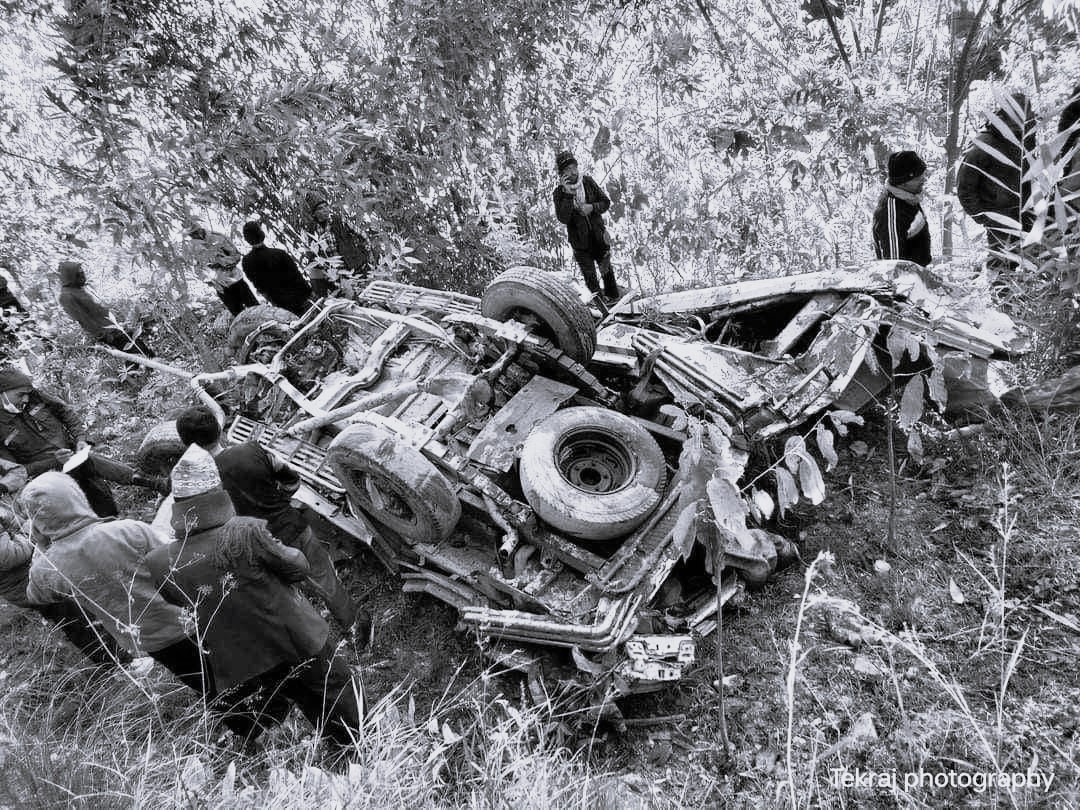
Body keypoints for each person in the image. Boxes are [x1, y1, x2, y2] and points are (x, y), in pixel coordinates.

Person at [146, 446, 362, 748]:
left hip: (245, 658)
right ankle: (361, 744)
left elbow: (184, 602)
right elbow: (298, 567)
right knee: (335, 686)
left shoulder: (158, 561)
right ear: (216, 494)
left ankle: (339, 746)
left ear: (177, 505)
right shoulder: (244, 531)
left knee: (303, 697)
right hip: (294, 636)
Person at [174, 406, 363, 634]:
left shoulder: (200, 484)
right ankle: (354, 625)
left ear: (188, 444)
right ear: (218, 428)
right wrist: (279, 500)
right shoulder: (252, 451)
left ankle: (315, 635)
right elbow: (292, 480)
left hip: (256, 547)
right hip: (290, 527)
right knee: (324, 578)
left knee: (289, 590)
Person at [21, 472, 208, 692]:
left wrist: (43, 547)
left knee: (201, 683)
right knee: (232, 670)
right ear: (78, 497)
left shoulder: (47, 569)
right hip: (190, 618)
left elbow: (35, 596)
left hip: (146, 639)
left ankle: (233, 715)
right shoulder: (127, 530)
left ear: (36, 522)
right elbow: (179, 560)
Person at [0, 367, 167, 517]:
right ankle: (155, 483)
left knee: (104, 503)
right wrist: (54, 461)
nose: (26, 399)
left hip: (75, 457)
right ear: (3, 393)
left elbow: (65, 412)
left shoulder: (36, 397)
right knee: (88, 510)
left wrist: (81, 439)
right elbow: (18, 472)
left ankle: (153, 485)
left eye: (27, 394)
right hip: (49, 477)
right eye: (20, 395)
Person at [0, 499, 128, 666]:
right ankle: (117, 662)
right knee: (76, 620)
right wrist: (25, 530)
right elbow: (11, 555)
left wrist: (21, 528)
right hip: (27, 585)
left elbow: (21, 521)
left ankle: (119, 649)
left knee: (80, 610)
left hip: (38, 572)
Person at [957, 94, 1036, 265]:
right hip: (1000, 222)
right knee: (1002, 275)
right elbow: (964, 188)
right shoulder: (983, 144)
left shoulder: (1027, 136)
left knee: (1033, 272)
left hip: (1029, 216)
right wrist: (986, 218)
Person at [553, 150, 620, 301]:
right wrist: (568, 194)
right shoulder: (559, 193)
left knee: (607, 273)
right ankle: (600, 310)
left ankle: (616, 302)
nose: (572, 172)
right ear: (562, 175)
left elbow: (606, 202)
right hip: (580, 244)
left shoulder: (587, 182)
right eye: (567, 170)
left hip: (599, 237)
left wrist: (592, 207)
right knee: (591, 281)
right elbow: (563, 218)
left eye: (573, 168)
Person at [56, 260, 154, 356]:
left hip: (114, 327)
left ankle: (151, 367)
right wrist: (105, 335)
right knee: (137, 352)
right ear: (71, 276)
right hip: (108, 332)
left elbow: (97, 309)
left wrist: (117, 323)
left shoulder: (77, 289)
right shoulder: (66, 296)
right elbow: (84, 320)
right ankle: (153, 368)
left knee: (138, 350)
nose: (83, 274)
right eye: (79, 272)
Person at [300, 191, 373, 297]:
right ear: (314, 213)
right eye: (320, 208)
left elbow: (363, 236)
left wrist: (367, 255)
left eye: (326, 206)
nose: (325, 210)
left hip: (351, 265)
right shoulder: (313, 229)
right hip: (334, 270)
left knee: (362, 293)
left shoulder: (339, 220)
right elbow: (313, 254)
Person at [872, 151, 932, 267]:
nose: (923, 180)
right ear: (902, 182)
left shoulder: (908, 197)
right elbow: (893, 266)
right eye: (917, 178)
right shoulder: (890, 214)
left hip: (919, 277)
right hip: (906, 282)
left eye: (923, 175)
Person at [240, 221, 314, 316]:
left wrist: (273, 302)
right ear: (262, 234)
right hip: (300, 298)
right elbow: (297, 276)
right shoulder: (279, 254)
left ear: (246, 239)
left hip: (281, 306)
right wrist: (310, 294)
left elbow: (259, 287)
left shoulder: (246, 262)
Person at [186, 224, 256, 316]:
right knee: (239, 315)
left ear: (200, 229)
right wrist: (207, 280)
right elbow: (196, 269)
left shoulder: (218, 237)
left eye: (195, 233)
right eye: (191, 235)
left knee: (255, 308)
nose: (194, 236)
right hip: (220, 287)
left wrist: (221, 262)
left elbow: (236, 255)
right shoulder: (191, 247)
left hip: (236, 280)